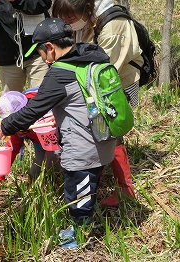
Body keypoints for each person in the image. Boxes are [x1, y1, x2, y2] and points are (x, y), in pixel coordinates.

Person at [0, 17, 117, 249]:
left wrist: (6, 126)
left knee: (77, 193)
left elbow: (32, 110)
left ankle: (82, 235)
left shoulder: (59, 72)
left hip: (83, 145)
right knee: (88, 185)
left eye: (40, 53)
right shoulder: (90, 56)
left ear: (50, 48)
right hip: (103, 136)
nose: (42, 59)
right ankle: (82, 223)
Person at [51, 0, 143, 207]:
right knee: (96, 131)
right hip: (92, 83)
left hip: (115, 82)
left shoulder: (114, 24)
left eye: (71, 19)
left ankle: (125, 189)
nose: (68, 23)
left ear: (86, 10)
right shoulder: (88, 19)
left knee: (112, 131)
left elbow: (104, 67)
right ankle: (96, 178)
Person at [0, 88, 62, 193]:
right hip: (37, 140)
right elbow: (11, 150)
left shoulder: (44, 113)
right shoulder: (16, 128)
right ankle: (31, 188)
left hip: (53, 137)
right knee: (38, 161)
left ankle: (57, 186)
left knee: (52, 159)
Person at [0, 0, 52, 92]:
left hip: (38, 51)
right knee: (10, 103)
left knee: (41, 98)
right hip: (9, 54)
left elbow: (44, 3)